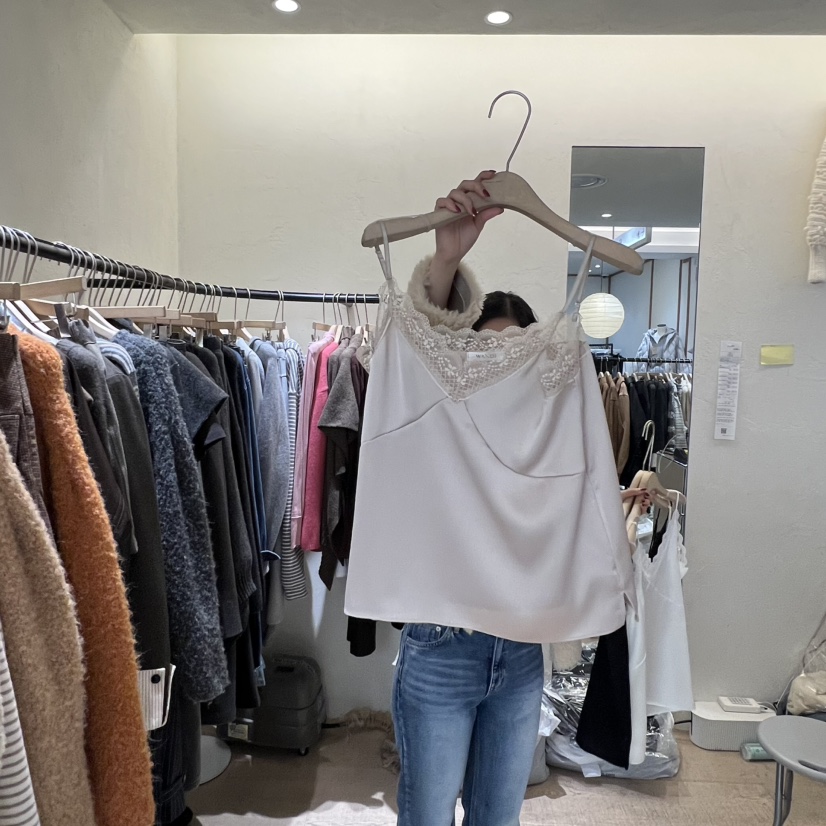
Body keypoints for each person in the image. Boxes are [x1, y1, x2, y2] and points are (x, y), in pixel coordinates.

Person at [392, 171, 649, 826]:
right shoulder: (441, 411)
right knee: (426, 816)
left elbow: (584, 492)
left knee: (498, 817)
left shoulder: (551, 425)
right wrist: (446, 260)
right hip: (441, 644)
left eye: (517, 349)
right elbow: (422, 347)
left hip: (519, 652)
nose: (501, 363)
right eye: (485, 348)